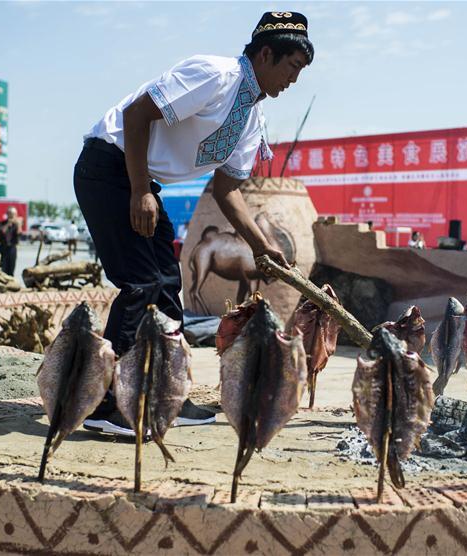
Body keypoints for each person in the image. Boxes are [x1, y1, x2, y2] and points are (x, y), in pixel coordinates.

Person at [75, 11, 313, 437]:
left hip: (138, 180)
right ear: (265, 54)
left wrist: (262, 247)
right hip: (108, 168)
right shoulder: (215, 75)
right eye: (292, 65)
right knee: (140, 283)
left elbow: (227, 192)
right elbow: (135, 116)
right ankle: (106, 404)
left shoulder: (252, 120)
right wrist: (139, 192)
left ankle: (166, 392)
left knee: (168, 285)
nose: (294, 78)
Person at [0, 207, 20, 275]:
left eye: (14, 214)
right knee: (2, 267)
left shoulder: (16, 225)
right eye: (11, 214)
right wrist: (8, 224)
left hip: (12, 248)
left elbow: (19, 234)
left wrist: (19, 224)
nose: (12, 216)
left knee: (11, 268)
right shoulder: (2, 223)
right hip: (3, 248)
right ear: (7, 214)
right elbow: (2, 232)